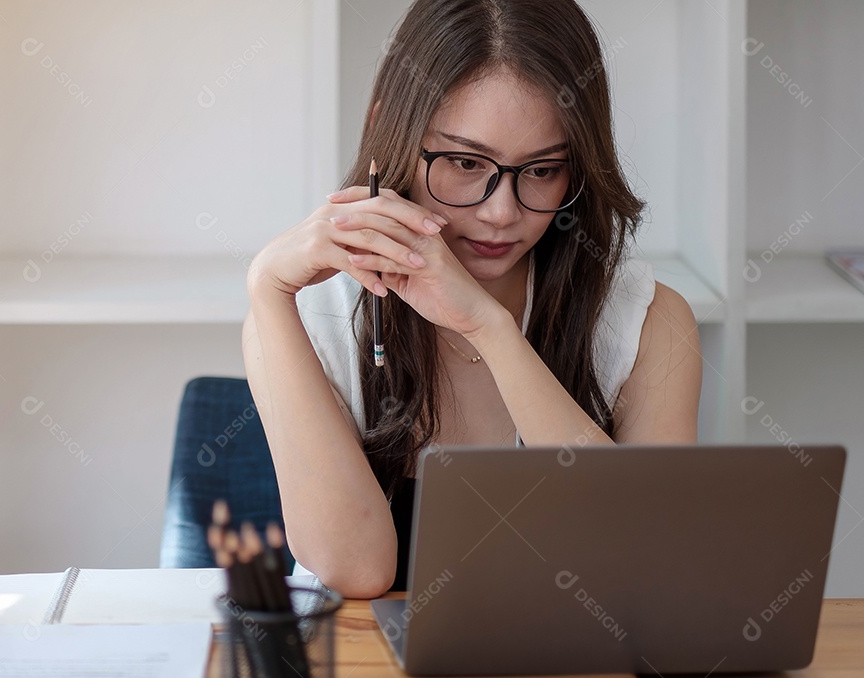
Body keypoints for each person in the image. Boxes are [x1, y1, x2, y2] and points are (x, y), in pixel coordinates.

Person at [242, 0, 701, 599]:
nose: (501, 213)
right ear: (393, 131)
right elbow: (357, 569)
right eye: (464, 161)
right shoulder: (312, 318)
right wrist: (267, 292)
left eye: (542, 170)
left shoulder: (648, 323)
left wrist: (490, 328)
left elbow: (639, 560)